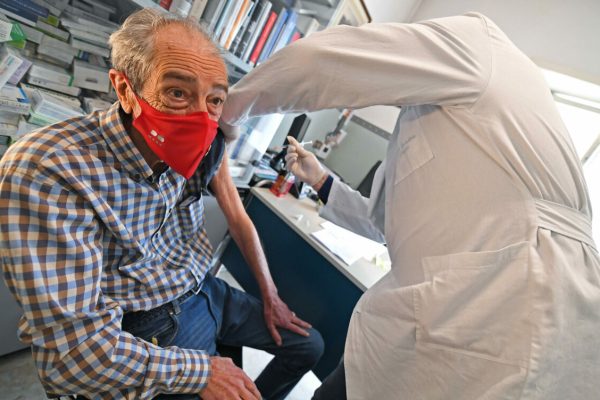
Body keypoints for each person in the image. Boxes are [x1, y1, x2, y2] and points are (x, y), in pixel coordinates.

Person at [221, 12, 600, 400]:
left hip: (508, 323)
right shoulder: (451, 122)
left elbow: (314, 62)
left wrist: (223, 115)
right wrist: (320, 179)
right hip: (458, 328)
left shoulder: (479, 42)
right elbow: (387, 225)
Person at [0, 9, 324, 400]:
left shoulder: (206, 147)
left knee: (310, 345)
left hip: (201, 287)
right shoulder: (50, 170)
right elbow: (72, 357)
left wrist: (270, 296)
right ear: (124, 91)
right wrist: (201, 372)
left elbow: (238, 216)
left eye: (214, 99)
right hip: (150, 316)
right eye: (176, 92)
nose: (200, 119)